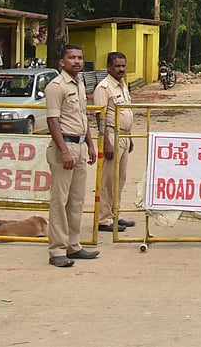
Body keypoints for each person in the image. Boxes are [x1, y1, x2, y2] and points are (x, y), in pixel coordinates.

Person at [45, 44, 99, 267]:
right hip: (64, 147)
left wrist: (90, 144)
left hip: (79, 146)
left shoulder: (79, 83)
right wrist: (64, 150)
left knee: (77, 200)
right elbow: (53, 120)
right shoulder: (55, 87)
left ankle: (73, 245)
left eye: (79, 58)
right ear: (62, 61)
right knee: (60, 200)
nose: (76, 61)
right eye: (71, 58)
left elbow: (82, 118)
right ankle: (57, 249)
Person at [93, 51, 135, 233]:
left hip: (124, 136)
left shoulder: (122, 85)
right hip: (111, 136)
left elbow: (126, 112)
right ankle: (103, 219)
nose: (121, 69)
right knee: (108, 180)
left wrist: (130, 136)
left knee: (120, 178)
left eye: (123, 66)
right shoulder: (104, 87)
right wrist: (105, 142)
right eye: (117, 66)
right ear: (109, 67)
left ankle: (114, 213)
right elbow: (99, 115)